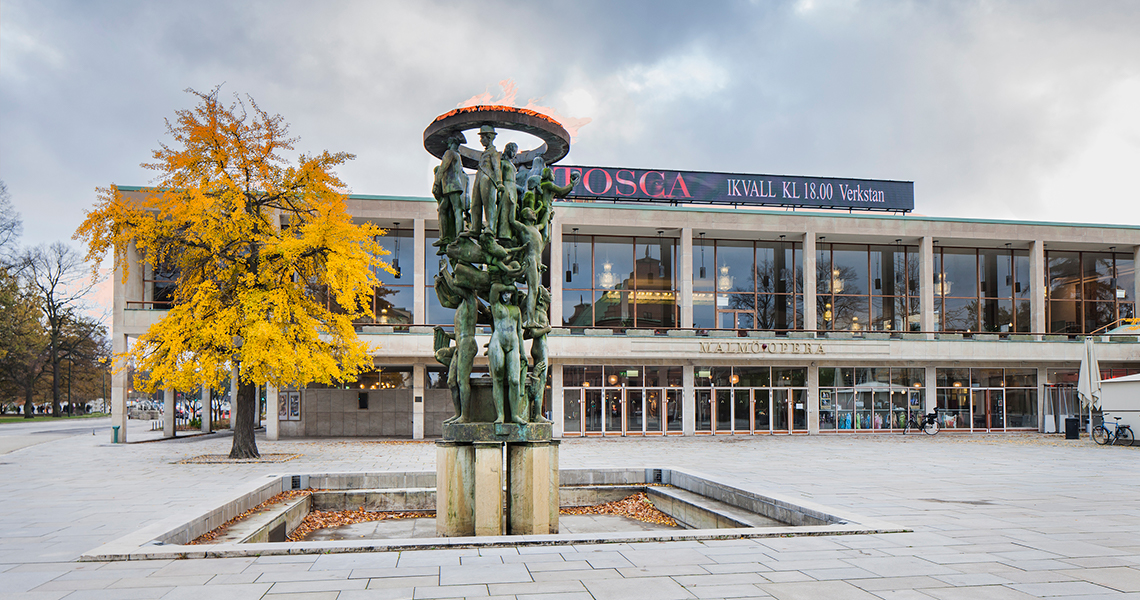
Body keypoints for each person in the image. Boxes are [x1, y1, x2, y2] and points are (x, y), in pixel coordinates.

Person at [488, 283, 525, 425]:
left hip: (513, 344)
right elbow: (494, 288)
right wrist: (507, 278)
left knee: (515, 380)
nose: (505, 295)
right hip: (498, 342)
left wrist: (522, 352)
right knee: (497, 376)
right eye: (503, 293)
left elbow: (520, 331)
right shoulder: (495, 306)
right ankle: (500, 415)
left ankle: (515, 415)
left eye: (508, 293)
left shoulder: (516, 309)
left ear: (512, 295)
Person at [431, 134, 468, 251]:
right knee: (444, 209)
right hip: (452, 187)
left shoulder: (450, 153)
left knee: (457, 210)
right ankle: (446, 236)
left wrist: (436, 182)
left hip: (452, 187)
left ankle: (458, 235)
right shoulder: (457, 155)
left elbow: (442, 168)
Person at [467, 125, 503, 238]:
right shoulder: (484, 153)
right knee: (476, 204)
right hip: (479, 177)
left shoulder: (494, 152)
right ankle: (475, 228)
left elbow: (497, 167)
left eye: (483, 137)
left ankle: (491, 228)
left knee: (489, 204)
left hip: (488, 178)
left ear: (489, 137)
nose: (481, 140)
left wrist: (499, 182)